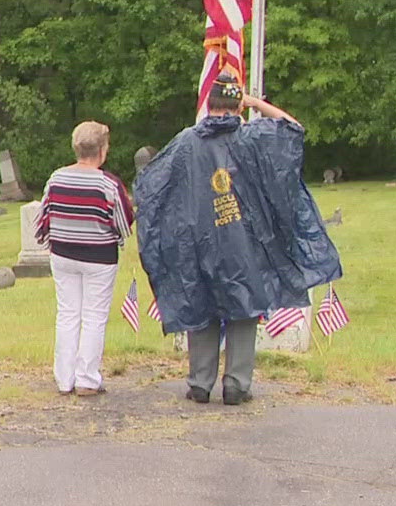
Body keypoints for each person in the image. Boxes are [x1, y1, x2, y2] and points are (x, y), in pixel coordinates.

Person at [136, 74, 341, 405]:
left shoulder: (187, 142)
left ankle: (200, 383)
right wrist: (257, 104)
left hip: (198, 240)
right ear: (237, 106)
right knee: (244, 306)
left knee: (201, 303)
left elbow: (153, 183)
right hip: (243, 241)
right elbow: (293, 130)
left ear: (209, 104)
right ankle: (237, 384)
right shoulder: (252, 136)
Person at [35, 120, 133, 395]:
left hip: (63, 252)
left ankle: (64, 379)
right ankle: (87, 379)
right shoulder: (108, 183)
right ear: (101, 150)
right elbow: (123, 222)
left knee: (67, 314)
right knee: (94, 316)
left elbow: (44, 216)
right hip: (99, 256)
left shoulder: (56, 178)